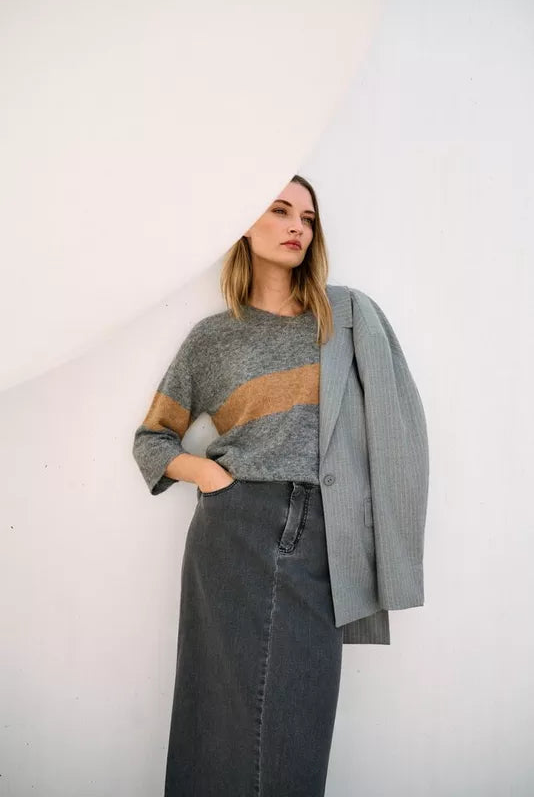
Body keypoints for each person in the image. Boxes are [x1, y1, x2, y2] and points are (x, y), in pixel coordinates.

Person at [132, 174, 426, 796]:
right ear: (245, 224)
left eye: (308, 218)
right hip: (233, 532)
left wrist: (392, 553)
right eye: (280, 210)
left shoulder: (344, 319)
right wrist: (207, 473)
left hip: (322, 533)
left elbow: (399, 431)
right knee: (212, 714)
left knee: (298, 728)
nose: (297, 227)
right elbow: (152, 439)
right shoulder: (213, 338)